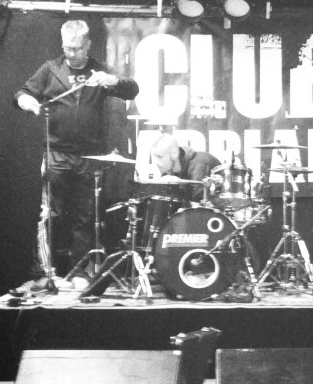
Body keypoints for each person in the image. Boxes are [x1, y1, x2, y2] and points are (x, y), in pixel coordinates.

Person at [15, 19, 139, 287]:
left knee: (85, 217)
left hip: (90, 157)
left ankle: (80, 272)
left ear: (88, 45)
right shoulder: (51, 69)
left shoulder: (100, 70)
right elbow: (22, 93)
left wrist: (113, 80)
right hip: (57, 154)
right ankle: (45, 273)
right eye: (67, 48)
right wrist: (28, 102)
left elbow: (132, 89)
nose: (71, 54)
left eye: (76, 48)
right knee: (50, 215)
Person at [149, 132, 220, 203]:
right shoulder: (168, 169)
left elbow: (199, 203)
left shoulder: (199, 164)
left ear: (174, 153)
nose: (156, 162)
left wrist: (179, 182)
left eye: (160, 157)